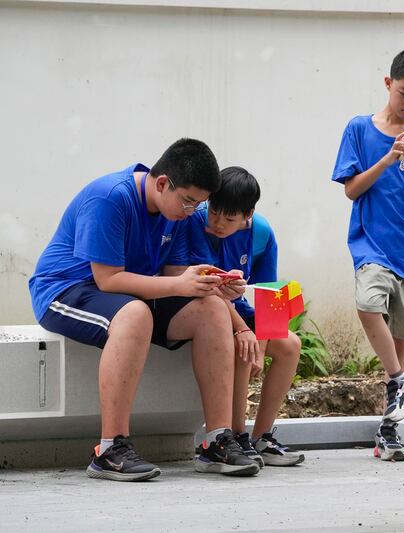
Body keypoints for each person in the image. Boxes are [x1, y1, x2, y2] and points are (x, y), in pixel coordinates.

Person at [28, 138, 260, 481]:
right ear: (163, 183)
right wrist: (181, 285)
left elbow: (172, 276)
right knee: (136, 314)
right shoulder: (110, 197)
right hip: (68, 289)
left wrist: (214, 283)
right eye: (188, 201)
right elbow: (107, 279)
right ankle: (110, 449)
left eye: (198, 204)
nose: (191, 211)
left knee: (212, 308)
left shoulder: (177, 213)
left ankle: (216, 441)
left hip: (131, 291)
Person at [331, 49, 404, 461]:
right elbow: (351, 189)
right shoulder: (359, 129)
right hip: (370, 245)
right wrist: (389, 157)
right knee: (367, 304)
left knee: (401, 336)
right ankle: (399, 380)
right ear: (388, 83)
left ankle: (389, 432)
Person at [187, 166, 304, 467]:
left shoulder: (261, 232)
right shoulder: (196, 223)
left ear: (247, 214)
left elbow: (270, 292)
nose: (218, 223)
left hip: (240, 314)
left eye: (229, 218)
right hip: (208, 314)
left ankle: (262, 437)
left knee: (290, 345)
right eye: (214, 212)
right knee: (244, 345)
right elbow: (206, 288)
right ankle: (236, 435)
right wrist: (246, 333)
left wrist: (262, 345)